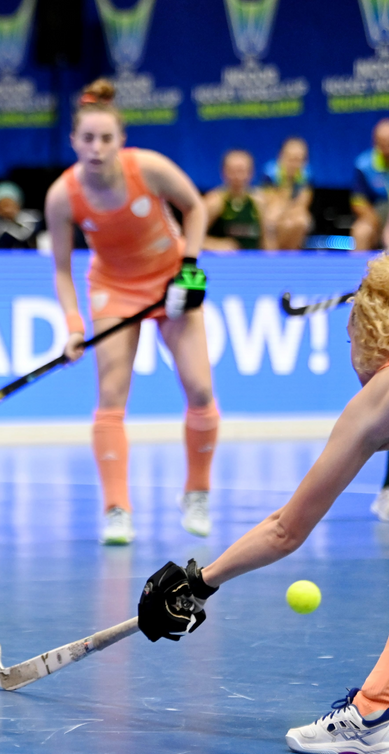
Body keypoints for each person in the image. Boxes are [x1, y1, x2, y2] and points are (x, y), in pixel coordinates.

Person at [137, 253, 389, 753]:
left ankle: (374, 713)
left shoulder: (377, 400)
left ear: (369, 332)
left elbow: (285, 530)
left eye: (350, 339)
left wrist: (200, 583)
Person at [44, 78, 216, 545]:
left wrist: (189, 269)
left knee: (201, 389)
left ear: (121, 139)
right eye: (87, 139)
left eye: (106, 138)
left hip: (170, 282)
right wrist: (74, 326)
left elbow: (196, 209)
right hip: (114, 289)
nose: (97, 148)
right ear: (73, 141)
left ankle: (197, 493)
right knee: (111, 398)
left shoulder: (149, 168)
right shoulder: (62, 196)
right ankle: (116, 509)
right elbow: (62, 270)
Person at [203, 149, 264, 251]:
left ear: (251, 173)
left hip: (252, 259)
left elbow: (268, 242)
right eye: (232, 171)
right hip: (221, 260)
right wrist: (215, 244)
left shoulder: (259, 202)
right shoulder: (214, 202)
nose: (237, 177)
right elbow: (190, 238)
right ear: (223, 172)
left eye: (241, 171)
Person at [261, 136, 313, 251]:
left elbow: (302, 204)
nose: (294, 164)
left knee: (302, 220)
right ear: (281, 156)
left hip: (289, 214)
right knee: (272, 216)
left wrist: (289, 217)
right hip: (274, 212)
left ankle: (291, 254)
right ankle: (271, 253)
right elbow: (270, 203)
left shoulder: (306, 174)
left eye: (299, 160)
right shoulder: (270, 173)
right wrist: (286, 186)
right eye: (291, 159)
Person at [351, 118, 389, 252]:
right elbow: (358, 201)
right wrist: (375, 222)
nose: (385, 146)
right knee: (361, 232)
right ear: (374, 141)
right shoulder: (364, 164)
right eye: (381, 141)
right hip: (376, 213)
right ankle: (359, 266)